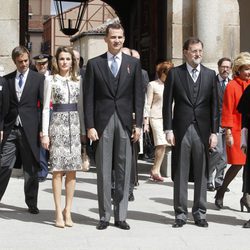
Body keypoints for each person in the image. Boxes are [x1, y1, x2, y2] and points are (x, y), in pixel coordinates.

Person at [84, 23, 144, 230]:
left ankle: (121, 216)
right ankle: (104, 216)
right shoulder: (94, 64)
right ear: (106, 39)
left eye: (119, 37)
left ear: (124, 39)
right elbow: (88, 98)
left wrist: (138, 125)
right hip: (102, 123)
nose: (116, 41)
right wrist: (90, 126)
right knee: (103, 170)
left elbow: (139, 96)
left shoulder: (133, 64)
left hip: (126, 121)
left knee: (124, 169)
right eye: (113, 37)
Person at [163, 37, 218, 228]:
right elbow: (167, 103)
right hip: (181, 129)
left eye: (200, 51)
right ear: (185, 52)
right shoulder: (175, 74)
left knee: (202, 172)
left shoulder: (211, 75)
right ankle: (180, 213)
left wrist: (214, 132)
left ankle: (200, 213)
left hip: (203, 131)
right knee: (180, 172)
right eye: (194, 51)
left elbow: (215, 107)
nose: (198, 54)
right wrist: (168, 129)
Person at [41, 46, 85, 228]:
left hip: (74, 126)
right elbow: (45, 108)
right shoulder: (50, 80)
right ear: (56, 61)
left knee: (73, 170)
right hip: (57, 126)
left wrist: (83, 132)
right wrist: (45, 133)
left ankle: (68, 210)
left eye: (68, 59)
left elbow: (81, 107)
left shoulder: (78, 80)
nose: (65, 62)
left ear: (72, 61)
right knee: (58, 170)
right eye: (61, 59)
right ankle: (58, 211)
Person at [0, 46, 44, 214]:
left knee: (31, 168)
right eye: (20, 62)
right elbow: (2, 107)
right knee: (4, 165)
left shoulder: (38, 79)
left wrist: (42, 130)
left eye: (26, 60)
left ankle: (32, 202)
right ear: (14, 62)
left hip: (30, 130)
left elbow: (42, 108)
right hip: (10, 129)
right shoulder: (6, 80)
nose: (24, 64)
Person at [215, 52, 250, 210]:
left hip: (247, 130)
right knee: (236, 164)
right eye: (245, 69)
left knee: (247, 166)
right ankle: (221, 191)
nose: (248, 72)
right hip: (235, 130)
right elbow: (228, 110)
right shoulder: (231, 86)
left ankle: (246, 196)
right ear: (238, 70)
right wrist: (228, 132)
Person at [144, 61, 174, 182]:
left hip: (169, 118)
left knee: (166, 144)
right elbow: (147, 104)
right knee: (161, 143)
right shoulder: (153, 85)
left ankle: (156, 169)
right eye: (168, 73)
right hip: (155, 117)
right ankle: (155, 170)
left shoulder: (172, 85)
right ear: (162, 72)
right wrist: (145, 122)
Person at [207, 57, 232, 192]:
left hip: (229, 123)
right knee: (217, 151)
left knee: (225, 155)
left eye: (228, 67)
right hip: (215, 122)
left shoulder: (232, 84)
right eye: (223, 67)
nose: (225, 69)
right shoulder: (212, 82)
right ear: (218, 67)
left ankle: (219, 181)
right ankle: (207, 178)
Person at [33, 54, 52, 182]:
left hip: (54, 111)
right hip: (39, 111)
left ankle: (59, 168)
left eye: (44, 63)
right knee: (42, 141)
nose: (42, 66)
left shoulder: (53, 77)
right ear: (36, 65)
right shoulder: (33, 78)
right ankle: (42, 171)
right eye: (39, 63)